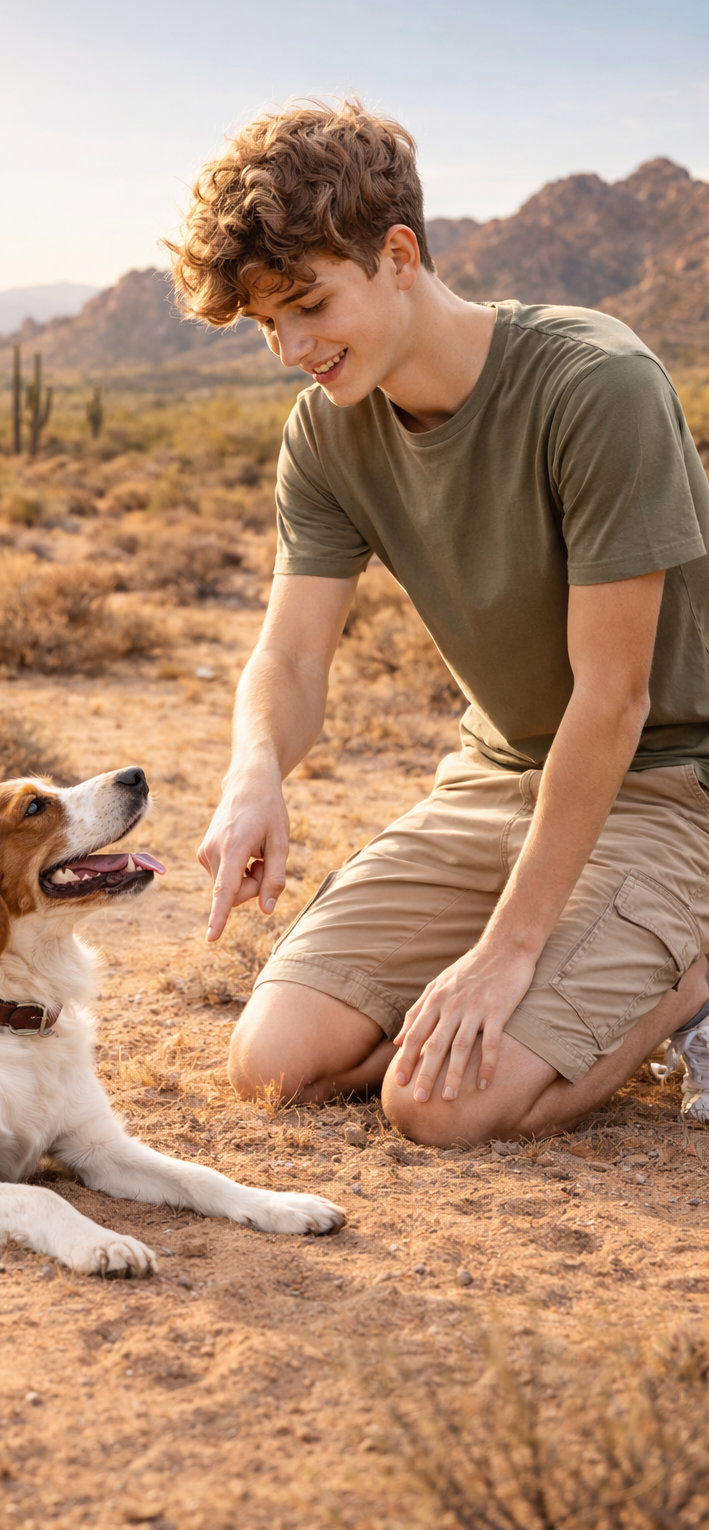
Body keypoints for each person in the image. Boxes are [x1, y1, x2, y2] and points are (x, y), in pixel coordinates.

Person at [165, 99, 709, 1146]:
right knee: (269, 1065)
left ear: (398, 254)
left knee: (438, 1107)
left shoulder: (597, 386)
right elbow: (289, 653)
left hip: (668, 782)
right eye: (266, 323)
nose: (288, 346)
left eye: (308, 304)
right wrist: (255, 774)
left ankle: (692, 973)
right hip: (496, 780)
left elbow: (614, 698)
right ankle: (533, 978)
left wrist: (506, 953)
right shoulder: (325, 435)